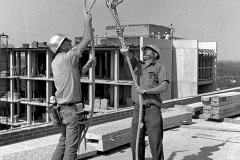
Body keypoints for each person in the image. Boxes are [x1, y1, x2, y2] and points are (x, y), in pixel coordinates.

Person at [47, 12, 95, 160]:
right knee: (71, 148)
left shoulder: (56, 61)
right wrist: (87, 21)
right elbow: (86, 39)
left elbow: (73, 77)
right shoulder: (67, 57)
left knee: (63, 141)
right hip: (71, 110)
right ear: (62, 46)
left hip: (63, 110)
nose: (70, 42)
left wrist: (87, 65)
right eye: (67, 41)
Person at [120, 44, 169, 160]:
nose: (145, 51)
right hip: (138, 109)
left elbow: (164, 86)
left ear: (155, 54)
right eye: (144, 50)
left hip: (152, 109)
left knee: (155, 142)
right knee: (136, 142)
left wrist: (145, 91)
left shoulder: (159, 68)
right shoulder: (138, 65)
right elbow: (129, 57)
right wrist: (125, 51)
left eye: (148, 50)